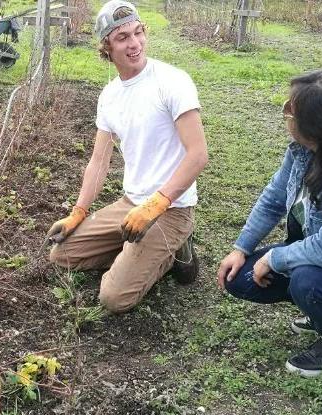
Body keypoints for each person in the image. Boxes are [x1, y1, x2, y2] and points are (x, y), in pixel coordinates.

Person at [47, 0, 208, 313]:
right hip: (130, 205)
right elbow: (98, 162)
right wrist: (79, 211)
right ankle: (140, 253)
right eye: (122, 38)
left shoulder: (172, 81)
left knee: (114, 297)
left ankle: (174, 250)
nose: (135, 44)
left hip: (172, 208)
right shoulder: (110, 96)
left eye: (138, 33)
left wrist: (158, 204)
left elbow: (198, 155)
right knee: (62, 255)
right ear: (106, 46)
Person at [217, 69, 322, 377]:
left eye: (292, 110)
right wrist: (241, 248)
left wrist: (275, 257)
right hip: (319, 257)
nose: (286, 113)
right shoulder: (301, 151)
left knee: (307, 282)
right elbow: (273, 199)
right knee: (240, 277)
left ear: (318, 127)